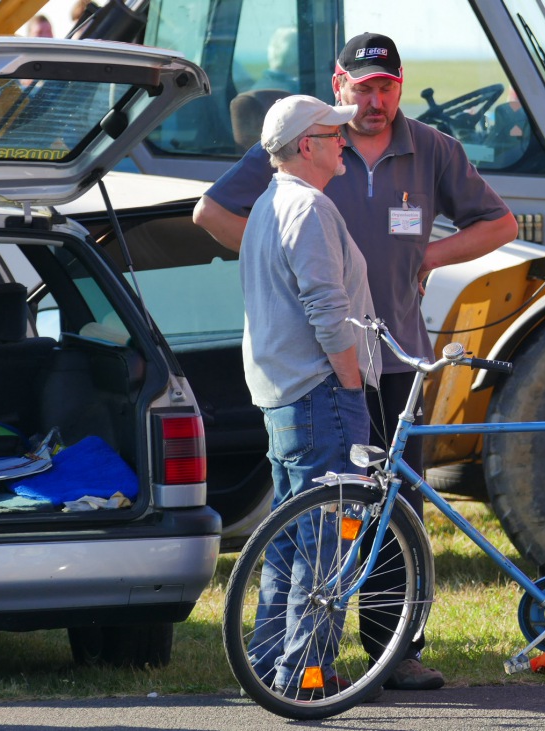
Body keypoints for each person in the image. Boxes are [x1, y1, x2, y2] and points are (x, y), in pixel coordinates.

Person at [194, 32, 518, 691]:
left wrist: (427, 257)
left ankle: (357, 654)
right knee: (328, 532)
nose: (368, 108)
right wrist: (343, 371)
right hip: (335, 377)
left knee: (341, 519)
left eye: (386, 88)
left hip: (353, 369)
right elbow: (315, 299)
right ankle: (304, 673)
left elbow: (500, 222)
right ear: (336, 92)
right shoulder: (301, 195)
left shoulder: (422, 151)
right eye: (360, 91)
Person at [239, 95, 379, 696]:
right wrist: (353, 389)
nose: (344, 140)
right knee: (329, 547)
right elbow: (328, 312)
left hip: (284, 396)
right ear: (306, 146)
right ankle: (304, 678)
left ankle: (271, 667)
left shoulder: (269, 205)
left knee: (289, 542)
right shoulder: (310, 207)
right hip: (320, 395)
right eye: (333, 133)